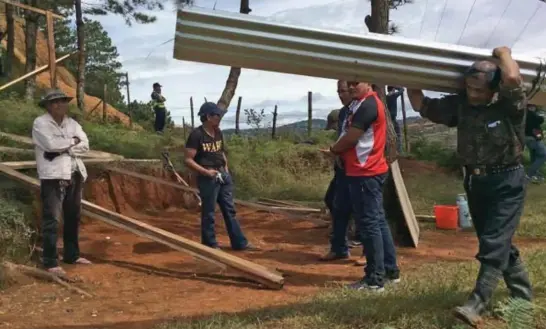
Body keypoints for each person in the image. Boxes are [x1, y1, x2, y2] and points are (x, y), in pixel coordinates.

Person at [406, 46, 533, 327]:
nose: (473, 95)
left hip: (507, 182)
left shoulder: (510, 106)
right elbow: (420, 104)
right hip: (476, 182)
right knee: (497, 240)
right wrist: (408, 74)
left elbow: (513, 79)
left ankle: (477, 303)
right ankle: (523, 296)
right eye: (469, 88)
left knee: (494, 242)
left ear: (494, 89)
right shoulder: (460, 105)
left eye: (479, 90)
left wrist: (504, 52)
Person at [321, 80, 400, 291]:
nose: (351, 87)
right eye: (349, 83)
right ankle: (390, 271)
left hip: (365, 171)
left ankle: (375, 279)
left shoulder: (368, 105)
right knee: (377, 220)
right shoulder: (359, 104)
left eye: (355, 83)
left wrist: (333, 150)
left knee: (369, 223)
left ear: (368, 81)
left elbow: (351, 138)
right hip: (364, 170)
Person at [32, 89, 92, 276]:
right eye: (55, 102)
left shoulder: (72, 123)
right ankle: (50, 261)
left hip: (74, 173)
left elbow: (86, 145)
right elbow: (50, 145)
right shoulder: (40, 123)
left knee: (72, 216)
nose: (59, 105)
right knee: (52, 219)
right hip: (53, 176)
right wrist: (72, 142)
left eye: (63, 101)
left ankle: (72, 255)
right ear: (48, 106)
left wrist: (66, 147)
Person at [184, 102, 259, 251]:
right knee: (209, 212)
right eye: (216, 115)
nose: (219, 117)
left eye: (219, 115)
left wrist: (226, 168)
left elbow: (221, 152)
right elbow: (188, 159)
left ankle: (239, 243)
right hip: (208, 177)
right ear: (207, 116)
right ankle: (209, 244)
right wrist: (205, 172)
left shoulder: (218, 132)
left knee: (230, 210)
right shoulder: (197, 135)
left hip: (222, 175)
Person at [322, 80, 364, 264]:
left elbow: (354, 139)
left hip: (358, 167)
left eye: (344, 91)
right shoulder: (343, 113)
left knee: (364, 210)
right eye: (338, 91)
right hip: (342, 167)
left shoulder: (360, 110)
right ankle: (339, 248)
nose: (341, 94)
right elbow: (342, 137)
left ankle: (368, 252)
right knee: (335, 203)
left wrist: (336, 150)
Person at [524, 104, 546, 183]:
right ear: (530, 107)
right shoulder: (531, 113)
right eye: (533, 106)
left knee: (534, 156)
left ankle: (535, 175)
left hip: (527, 138)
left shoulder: (523, 114)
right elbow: (540, 120)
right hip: (534, 138)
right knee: (543, 155)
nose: (534, 108)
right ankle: (529, 175)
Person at [386, 86, 405, 153]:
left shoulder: (386, 97)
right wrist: (396, 87)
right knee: (398, 134)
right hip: (393, 119)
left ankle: (391, 151)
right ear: (393, 89)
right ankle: (399, 151)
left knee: (389, 136)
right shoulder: (394, 95)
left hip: (387, 120)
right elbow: (402, 89)